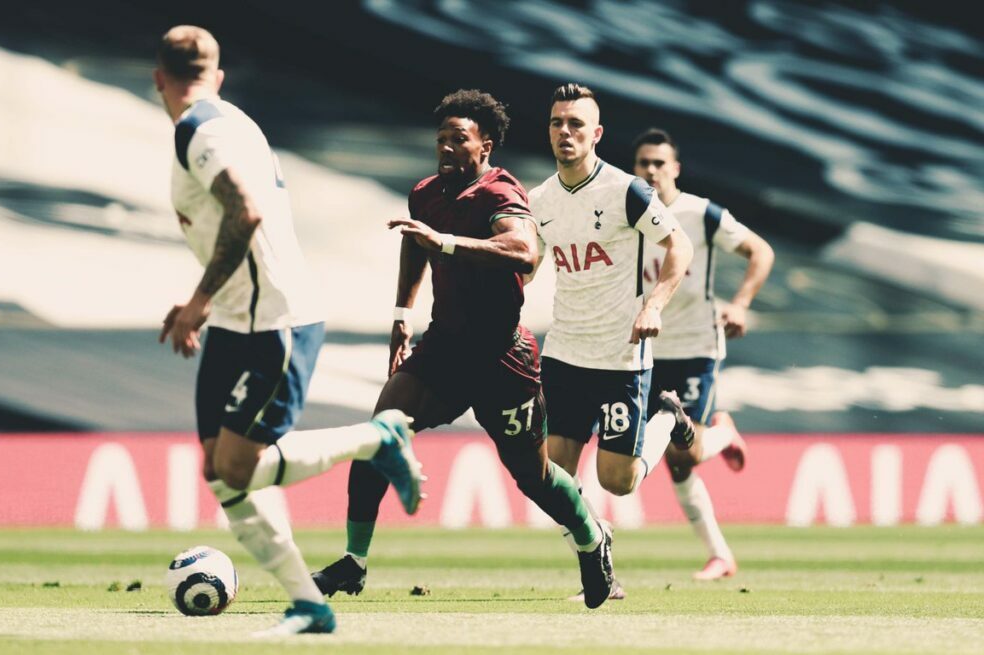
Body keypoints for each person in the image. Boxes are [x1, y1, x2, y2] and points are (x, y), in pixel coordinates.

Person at [154, 25, 424, 636]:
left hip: (274, 319)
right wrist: (210, 303)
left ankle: (377, 438)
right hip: (238, 317)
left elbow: (246, 211)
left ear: (158, 78)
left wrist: (198, 300)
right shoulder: (235, 122)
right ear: (218, 76)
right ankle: (309, 604)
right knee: (219, 470)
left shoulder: (201, 130)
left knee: (238, 466)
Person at [312, 89, 617, 609]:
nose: (447, 148)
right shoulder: (426, 193)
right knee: (376, 438)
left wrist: (447, 243)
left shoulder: (500, 192)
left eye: (459, 139)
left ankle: (592, 541)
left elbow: (524, 251)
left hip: (502, 358)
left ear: (485, 146)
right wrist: (402, 314)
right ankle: (353, 562)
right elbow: (416, 240)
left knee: (534, 477)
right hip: (444, 350)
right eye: (441, 139)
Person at [527, 84, 696, 601]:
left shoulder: (626, 191)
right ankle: (597, 550)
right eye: (557, 123)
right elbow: (527, 269)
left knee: (618, 481)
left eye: (576, 124)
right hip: (564, 353)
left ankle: (667, 417)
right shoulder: (539, 200)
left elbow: (679, 246)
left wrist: (653, 306)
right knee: (550, 478)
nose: (565, 132)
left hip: (621, 357)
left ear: (596, 134)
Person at [633, 127, 775, 580]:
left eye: (659, 163)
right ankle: (721, 556)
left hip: (696, 348)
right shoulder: (625, 213)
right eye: (643, 163)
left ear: (675, 168)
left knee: (685, 453)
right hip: (646, 350)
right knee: (677, 463)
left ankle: (724, 434)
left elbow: (761, 251)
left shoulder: (702, 214)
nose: (651, 170)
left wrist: (741, 303)